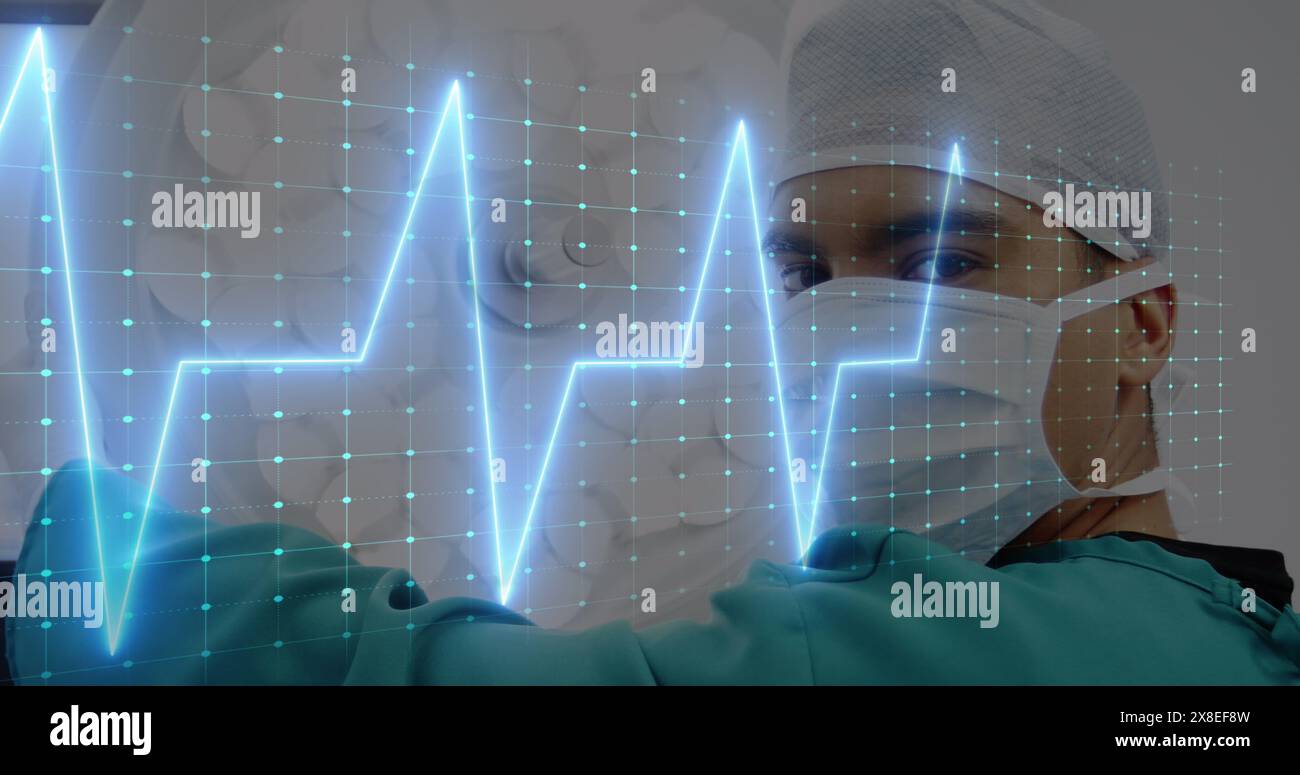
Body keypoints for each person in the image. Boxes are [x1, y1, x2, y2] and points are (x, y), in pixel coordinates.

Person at [5, 0, 1299, 684]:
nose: (847, 328)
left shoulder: (903, 648)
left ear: (1143, 324)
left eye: (941, 257)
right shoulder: (1224, 631)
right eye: (800, 270)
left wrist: (78, 580)